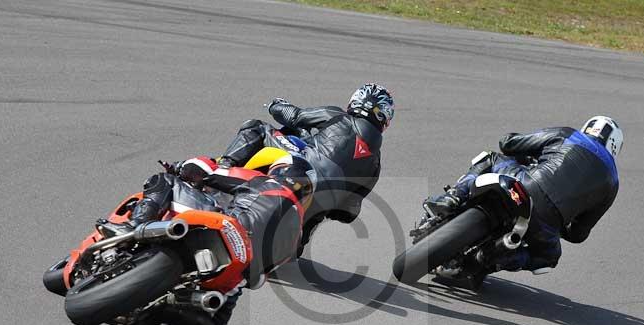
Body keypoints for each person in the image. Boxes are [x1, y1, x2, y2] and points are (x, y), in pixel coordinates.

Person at [99, 153, 317, 325]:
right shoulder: (296, 237)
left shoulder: (265, 183)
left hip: (224, 231)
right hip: (234, 270)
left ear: (280, 172)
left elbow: (208, 175)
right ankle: (170, 310)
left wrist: (180, 168)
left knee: (164, 180)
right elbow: (256, 279)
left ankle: (134, 225)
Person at [425, 116, 622, 284]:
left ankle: (451, 198)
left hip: (522, 185)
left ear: (587, 127)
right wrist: (562, 223)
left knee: (491, 158)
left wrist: (523, 152)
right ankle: (493, 258)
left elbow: (508, 144)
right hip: (546, 223)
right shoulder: (612, 182)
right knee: (548, 258)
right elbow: (579, 233)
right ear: (615, 146)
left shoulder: (569, 135)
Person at [219, 83, 394, 252]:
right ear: (385, 117)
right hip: (313, 212)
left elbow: (294, 116)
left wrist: (276, 105)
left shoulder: (339, 117)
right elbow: (348, 213)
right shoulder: (375, 166)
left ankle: (223, 166)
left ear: (356, 101)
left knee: (257, 127)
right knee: (302, 239)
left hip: (300, 169)